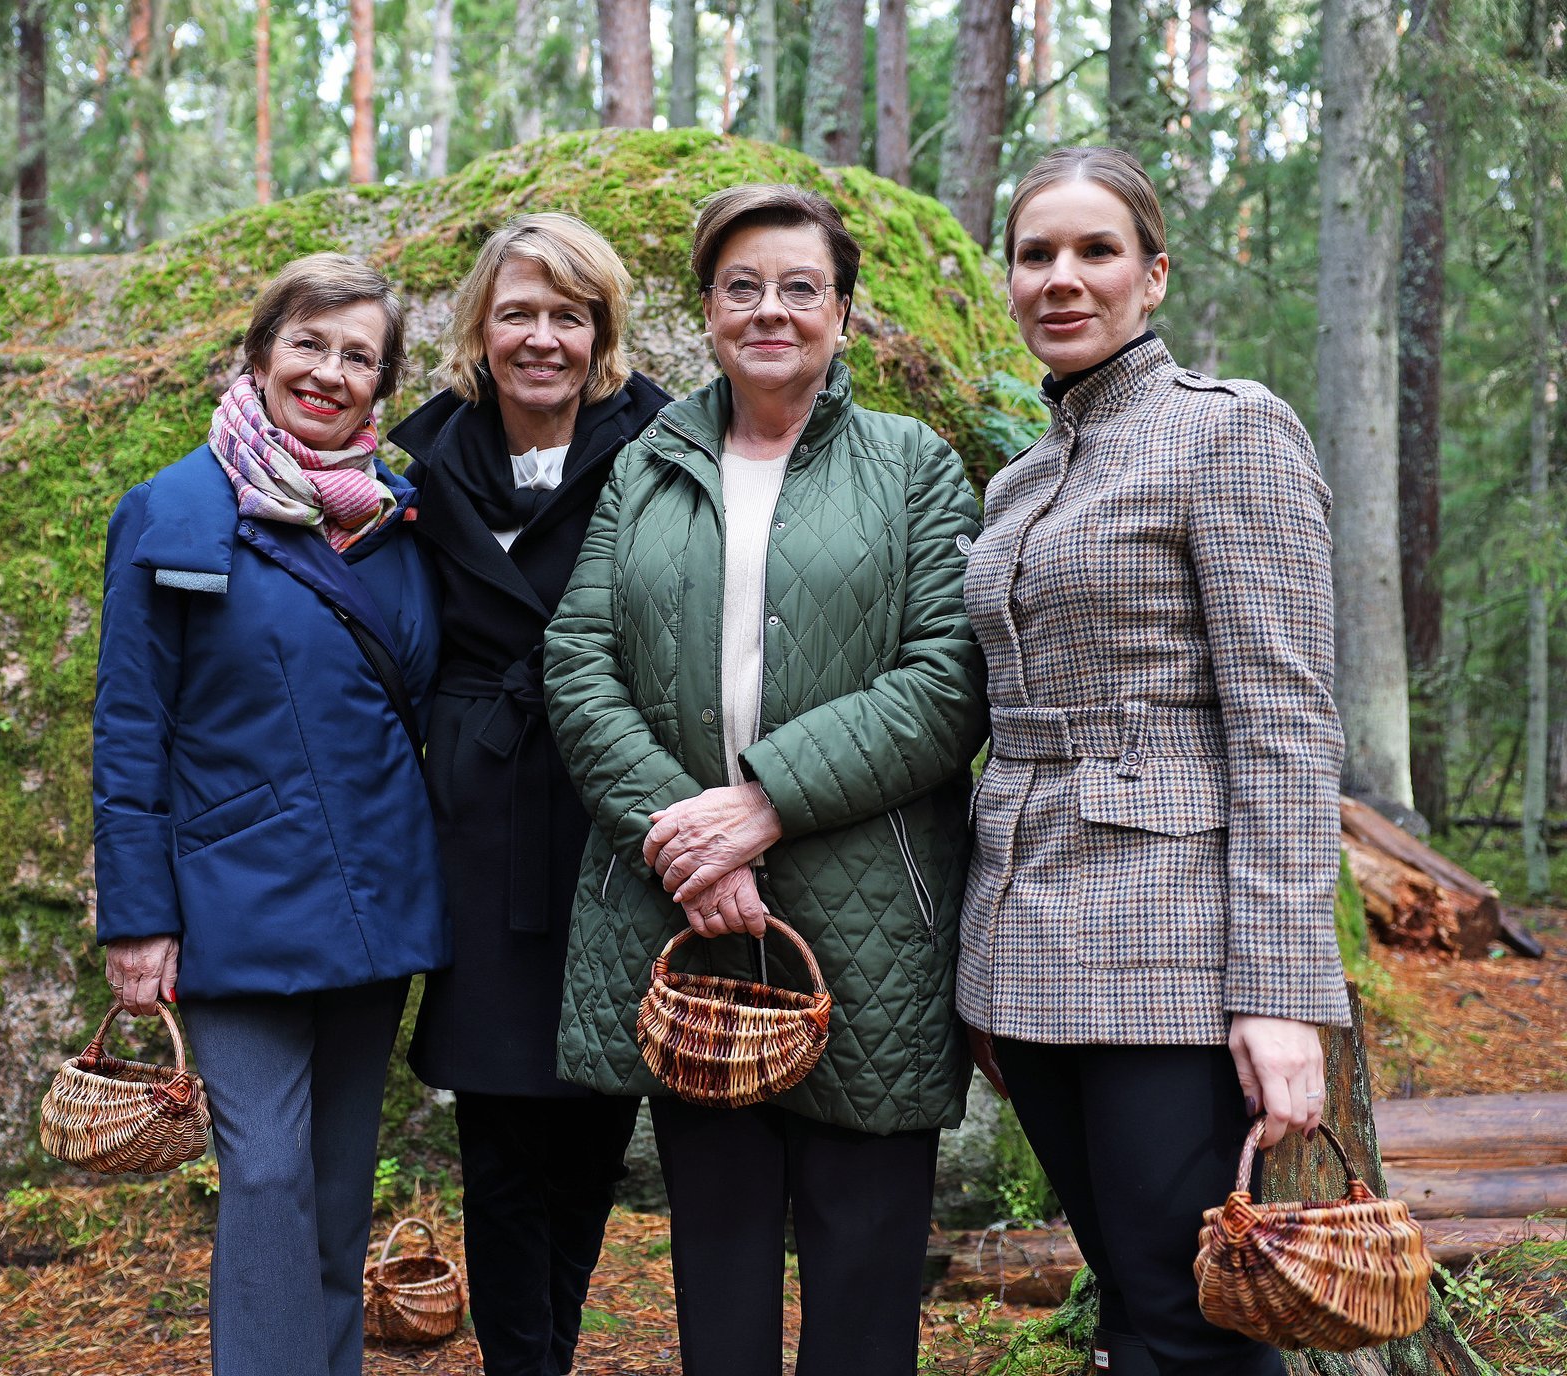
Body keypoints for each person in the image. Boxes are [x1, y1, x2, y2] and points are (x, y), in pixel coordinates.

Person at [543, 184, 989, 1376]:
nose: (770, 308)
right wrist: (679, 841)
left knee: (862, 1269)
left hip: (869, 919)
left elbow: (948, 679)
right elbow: (576, 659)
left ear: (843, 311)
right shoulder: (647, 461)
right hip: (687, 919)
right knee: (720, 1265)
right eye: (742, 286)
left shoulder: (912, 466)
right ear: (707, 310)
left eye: (800, 286)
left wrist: (761, 802)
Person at [959, 146, 1352, 1376]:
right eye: (1035, 254)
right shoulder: (1017, 479)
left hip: (1174, 957)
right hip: (1024, 955)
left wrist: (1284, 990)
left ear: (1153, 275)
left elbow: (1285, 723)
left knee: (1191, 1321)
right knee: (1130, 1301)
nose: (1060, 278)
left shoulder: (1225, 435)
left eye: (1094, 251)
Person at [91, 252, 447, 1376]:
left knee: (340, 1192)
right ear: (258, 351)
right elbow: (129, 725)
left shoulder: (396, 521)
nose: (328, 371)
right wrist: (136, 917)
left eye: (357, 355)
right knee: (263, 1176)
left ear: (380, 386)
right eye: (308, 342)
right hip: (230, 906)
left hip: (370, 905)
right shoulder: (174, 508)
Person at [392, 214, 670, 1376]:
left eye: (568, 315)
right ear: (480, 328)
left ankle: (545, 1345)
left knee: (591, 1118)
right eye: (518, 313)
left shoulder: (659, 446)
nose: (541, 338)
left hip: (606, 805)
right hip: (482, 807)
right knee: (499, 1126)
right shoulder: (421, 461)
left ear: (600, 331)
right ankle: (523, 1361)